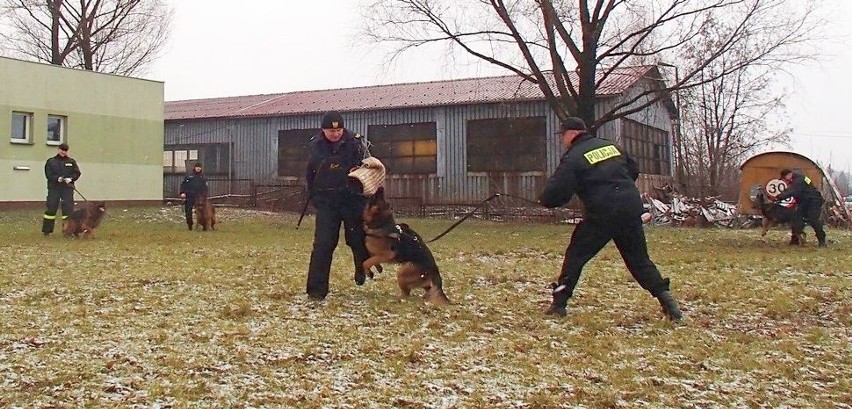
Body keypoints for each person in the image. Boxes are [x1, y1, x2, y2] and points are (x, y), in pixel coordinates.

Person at [538, 117, 683, 321]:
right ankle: (668, 302)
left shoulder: (575, 156)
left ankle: (559, 304)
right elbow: (632, 170)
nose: (562, 140)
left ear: (571, 134)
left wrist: (545, 200)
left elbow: (556, 190)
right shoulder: (611, 147)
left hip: (602, 214)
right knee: (639, 260)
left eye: (562, 135)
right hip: (630, 210)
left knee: (576, 257)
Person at [304, 110, 372, 301]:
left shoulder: (356, 144)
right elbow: (310, 174)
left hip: (352, 201)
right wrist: (314, 197)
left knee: (357, 240)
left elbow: (369, 170)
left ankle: (361, 268)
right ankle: (316, 290)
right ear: (323, 130)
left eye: (339, 130)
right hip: (327, 203)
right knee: (323, 245)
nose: (335, 134)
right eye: (331, 131)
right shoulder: (315, 146)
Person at [774, 168, 827, 247]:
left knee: (813, 220)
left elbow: (794, 191)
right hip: (805, 201)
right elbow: (793, 191)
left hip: (813, 201)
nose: (785, 181)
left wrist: (780, 197)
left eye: (784, 179)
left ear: (789, 175)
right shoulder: (801, 179)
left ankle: (822, 240)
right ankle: (795, 239)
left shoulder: (798, 180)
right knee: (796, 217)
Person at [42, 143, 81, 236]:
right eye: (62, 150)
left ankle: (68, 231)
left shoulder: (71, 162)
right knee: (51, 209)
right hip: (54, 188)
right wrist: (57, 178)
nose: (63, 152)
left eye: (65, 150)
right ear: (58, 149)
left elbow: (77, 173)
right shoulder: (51, 161)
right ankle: (47, 231)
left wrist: (71, 179)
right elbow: (48, 174)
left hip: (67, 189)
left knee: (68, 210)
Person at [179, 162, 208, 230]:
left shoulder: (203, 177)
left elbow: (205, 188)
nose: (198, 168)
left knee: (202, 211)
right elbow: (183, 185)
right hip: (189, 196)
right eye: (197, 167)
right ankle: (190, 225)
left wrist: (204, 196)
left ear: (201, 168)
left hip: (199, 197)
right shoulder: (189, 176)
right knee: (188, 211)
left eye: (199, 167)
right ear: (194, 168)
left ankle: (204, 225)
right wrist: (182, 192)